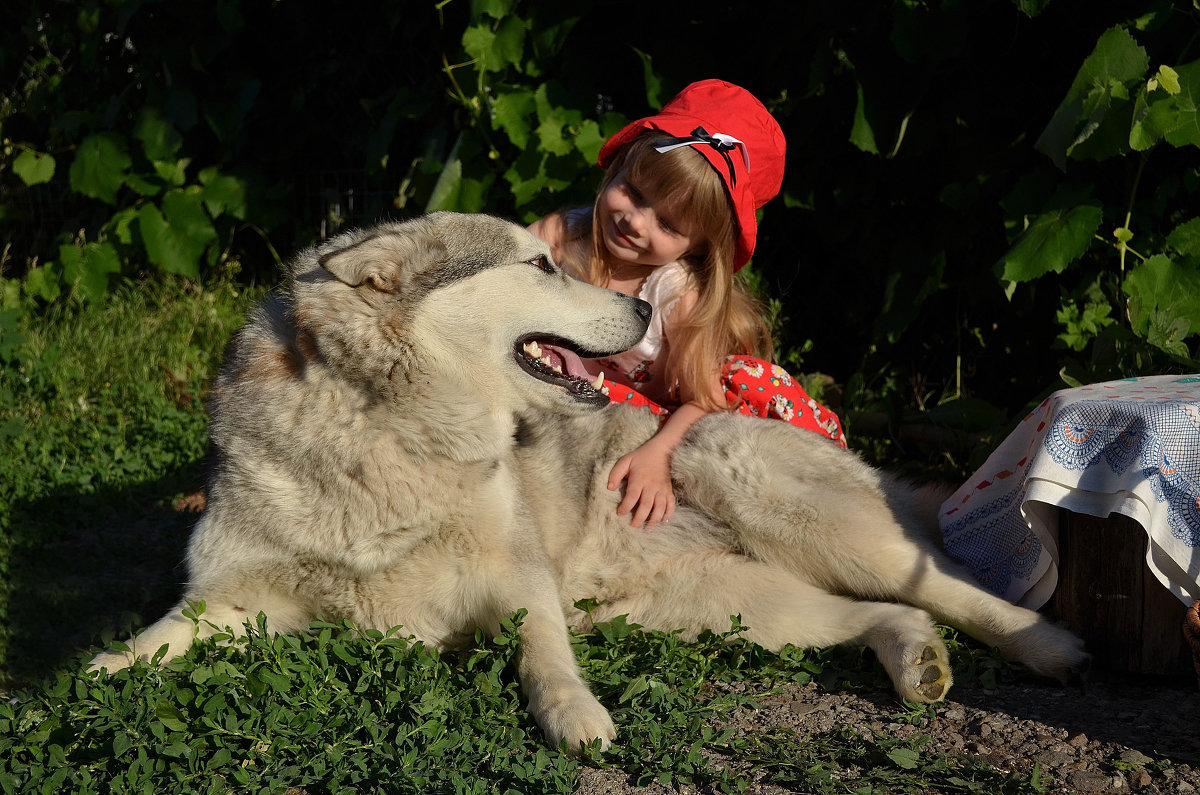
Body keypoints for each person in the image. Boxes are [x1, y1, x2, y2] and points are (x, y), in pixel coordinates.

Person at [528, 79, 844, 531]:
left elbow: (704, 399)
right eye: (634, 192)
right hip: (576, 387)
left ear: (697, 247)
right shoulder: (562, 236)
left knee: (744, 387)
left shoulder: (673, 293)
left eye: (667, 223)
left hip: (660, 411)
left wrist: (657, 452)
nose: (634, 221)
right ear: (618, 166)